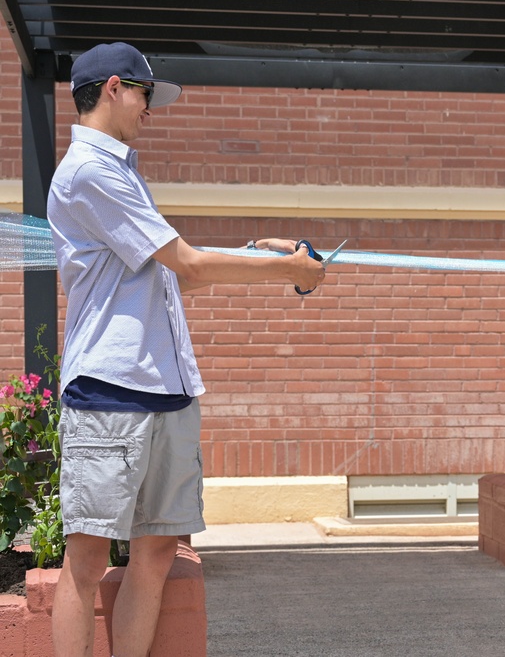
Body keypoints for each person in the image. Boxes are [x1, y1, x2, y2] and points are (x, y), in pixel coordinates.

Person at [47, 42, 326, 657]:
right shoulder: (90, 171)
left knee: (154, 552)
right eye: (147, 94)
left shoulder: (123, 172)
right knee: (87, 558)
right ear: (115, 87)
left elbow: (171, 277)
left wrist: (268, 255)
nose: (152, 107)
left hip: (167, 391)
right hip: (110, 392)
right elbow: (188, 264)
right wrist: (288, 272)